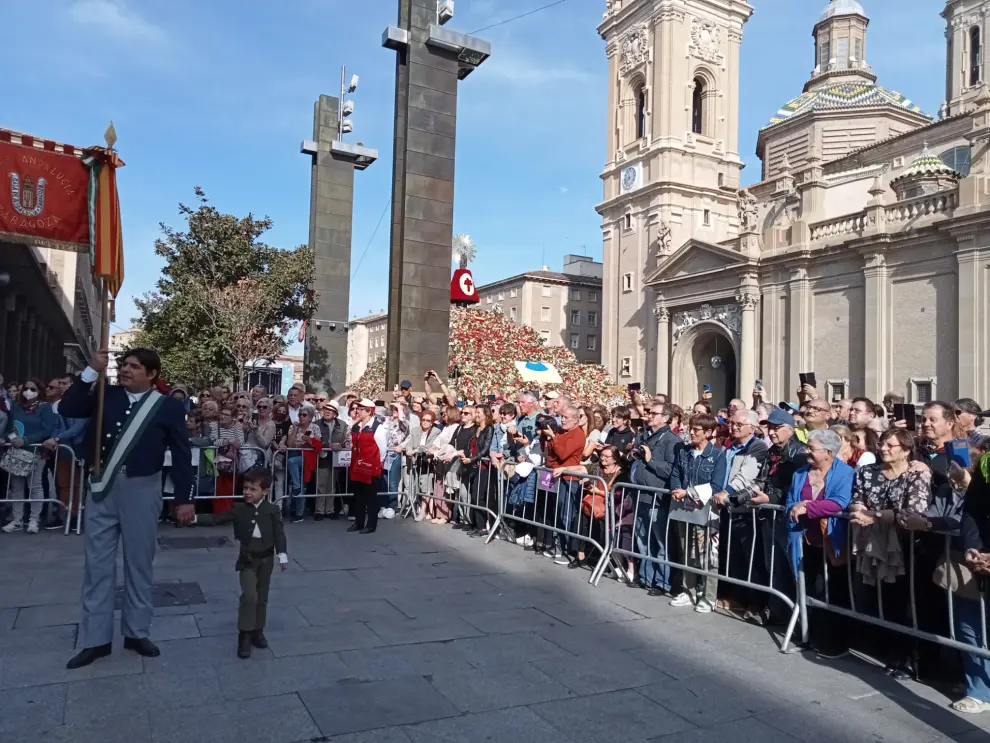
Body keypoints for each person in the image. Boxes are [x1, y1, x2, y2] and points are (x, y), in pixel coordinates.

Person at [61, 348, 193, 670]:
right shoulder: (108, 394)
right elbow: (70, 406)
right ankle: (96, 640)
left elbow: (180, 453)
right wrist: (92, 370)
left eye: (134, 367)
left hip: (142, 488)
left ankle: (136, 632)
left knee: (139, 563)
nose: (125, 370)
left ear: (151, 374)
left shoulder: (167, 407)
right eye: (123, 365)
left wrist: (184, 498)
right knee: (97, 566)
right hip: (103, 487)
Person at [195, 467, 287, 658]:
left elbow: (279, 534)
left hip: (266, 559)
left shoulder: (272, 510)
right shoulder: (239, 509)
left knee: (262, 596)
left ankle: (257, 630)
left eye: (253, 489)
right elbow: (217, 518)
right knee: (249, 596)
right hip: (247, 559)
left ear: (265, 491)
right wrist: (194, 518)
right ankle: (244, 634)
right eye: (245, 488)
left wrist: (282, 555)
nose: (247, 492)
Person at [785, 428, 855, 658]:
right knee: (809, 587)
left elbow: (840, 502)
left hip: (832, 540)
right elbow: (790, 503)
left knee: (834, 590)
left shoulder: (844, 473)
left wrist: (808, 507)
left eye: (811, 448)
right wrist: (796, 508)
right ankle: (810, 634)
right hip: (804, 538)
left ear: (827, 452)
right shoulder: (800, 473)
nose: (806, 451)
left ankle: (837, 642)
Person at [668, 413, 727, 613]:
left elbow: (716, 484)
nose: (691, 432)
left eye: (696, 430)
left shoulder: (718, 455)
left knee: (709, 555)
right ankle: (688, 590)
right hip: (684, 510)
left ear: (709, 433)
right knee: (686, 551)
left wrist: (688, 493)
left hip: (708, 511)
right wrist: (676, 488)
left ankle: (709, 596)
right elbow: (676, 473)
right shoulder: (684, 452)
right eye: (690, 428)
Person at [2, 378, 57, 534]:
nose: (28, 391)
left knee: (35, 486)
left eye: (33, 389)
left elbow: (47, 429)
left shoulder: (45, 408)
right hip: (16, 452)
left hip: (36, 452)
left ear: (39, 391)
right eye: (26, 388)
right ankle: (17, 519)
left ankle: (34, 520)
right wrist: (10, 439)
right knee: (16, 486)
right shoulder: (17, 406)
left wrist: (26, 440)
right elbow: (10, 427)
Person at [348, 398, 387, 534]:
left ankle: (371, 525)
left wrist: (377, 464)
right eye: (357, 408)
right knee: (358, 496)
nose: (357, 411)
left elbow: (382, 449)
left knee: (371, 497)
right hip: (357, 466)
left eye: (360, 409)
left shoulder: (377, 427)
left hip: (370, 467)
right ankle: (358, 523)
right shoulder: (356, 426)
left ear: (369, 411)